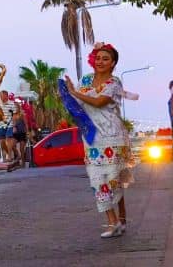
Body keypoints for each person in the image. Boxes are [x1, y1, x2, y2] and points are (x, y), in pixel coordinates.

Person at [64, 42, 133, 239]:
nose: (100, 61)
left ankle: (122, 219)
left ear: (113, 63)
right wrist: (67, 94)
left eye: (105, 59)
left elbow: (99, 101)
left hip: (112, 136)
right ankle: (113, 222)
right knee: (97, 179)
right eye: (98, 58)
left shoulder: (114, 83)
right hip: (92, 137)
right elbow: (76, 104)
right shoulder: (85, 79)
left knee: (113, 179)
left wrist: (74, 92)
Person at [0, 90, 18, 163]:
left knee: (8, 139)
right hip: (0, 125)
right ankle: (12, 152)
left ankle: (9, 156)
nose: (0, 97)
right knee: (2, 143)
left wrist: (14, 126)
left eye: (1, 95)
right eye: (0, 96)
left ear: (6, 95)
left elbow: (14, 115)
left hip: (9, 125)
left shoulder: (12, 104)